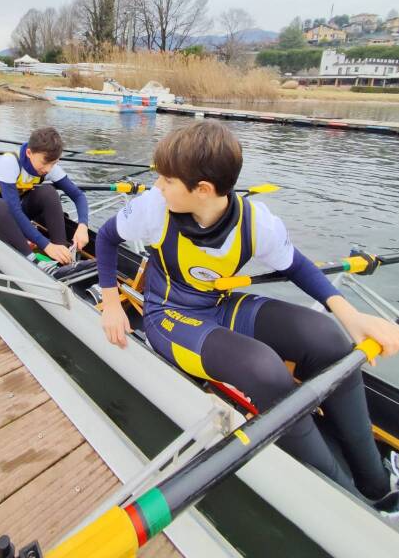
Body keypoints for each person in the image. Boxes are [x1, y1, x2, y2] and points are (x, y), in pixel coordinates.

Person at [95, 120, 399, 514]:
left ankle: (377, 482)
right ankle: (350, 502)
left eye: (166, 180)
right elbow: (105, 238)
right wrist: (113, 303)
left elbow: (298, 267)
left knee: (328, 338)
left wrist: (351, 316)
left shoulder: (258, 222)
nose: (157, 186)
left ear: (202, 190)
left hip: (218, 306)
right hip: (167, 315)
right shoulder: (154, 209)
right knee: (264, 370)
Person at [0, 126, 94, 279]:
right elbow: (14, 210)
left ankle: (62, 257)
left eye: (53, 163)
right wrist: (45, 245)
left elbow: (78, 196)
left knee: (48, 192)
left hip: (21, 216)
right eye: (45, 162)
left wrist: (83, 225)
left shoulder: (48, 164)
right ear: (29, 153)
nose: (48, 169)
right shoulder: (9, 162)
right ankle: (33, 261)